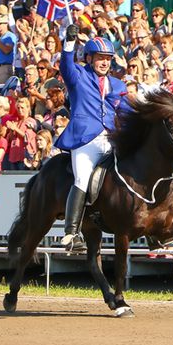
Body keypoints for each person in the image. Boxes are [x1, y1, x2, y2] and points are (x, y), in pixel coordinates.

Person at [57, 28, 127, 252]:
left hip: (111, 137)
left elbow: (126, 109)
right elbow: (65, 66)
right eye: (100, 58)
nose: (105, 63)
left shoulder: (117, 84)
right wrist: (69, 43)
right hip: (85, 138)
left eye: (108, 59)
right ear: (89, 58)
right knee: (82, 179)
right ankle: (70, 233)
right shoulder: (78, 75)